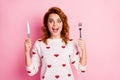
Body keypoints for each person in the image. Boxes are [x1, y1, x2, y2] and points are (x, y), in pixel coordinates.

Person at [24, 7, 87, 80]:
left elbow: (81, 69)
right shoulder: (39, 44)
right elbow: (31, 71)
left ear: (63, 24)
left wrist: (84, 50)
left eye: (59, 21)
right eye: (51, 21)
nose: (55, 24)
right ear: (47, 24)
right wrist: (26, 52)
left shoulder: (71, 43)